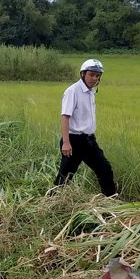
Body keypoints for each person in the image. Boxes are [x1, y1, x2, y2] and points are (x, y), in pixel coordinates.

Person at [53, 58, 116, 197]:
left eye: (97, 76)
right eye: (91, 75)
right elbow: (65, 117)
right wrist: (66, 142)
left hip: (89, 141)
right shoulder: (73, 91)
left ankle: (111, 201)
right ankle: (52, 201)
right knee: (65, 175)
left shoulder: (90, 92)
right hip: (74, 141)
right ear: (83, 74)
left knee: (105, 168)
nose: (94, 78)